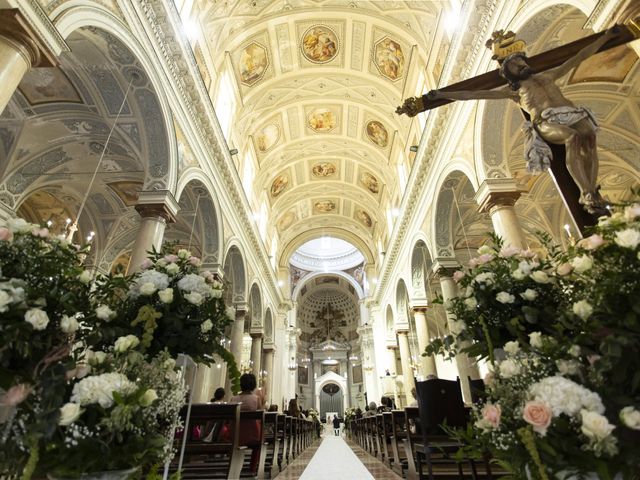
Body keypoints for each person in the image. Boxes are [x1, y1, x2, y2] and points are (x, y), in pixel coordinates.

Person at [397, 28, 619, 214]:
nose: (521, 64)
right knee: (573, 138)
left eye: (522, 60)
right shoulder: (515, 92)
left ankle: (592, 188)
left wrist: (606, 37)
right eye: (515, 64)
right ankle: (586, 192)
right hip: (545, 121)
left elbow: (577, 58)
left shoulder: (547, 76)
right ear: (508, 71)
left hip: (571, 113)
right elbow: (474, 95)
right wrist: (442, 95)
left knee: (588, 137)